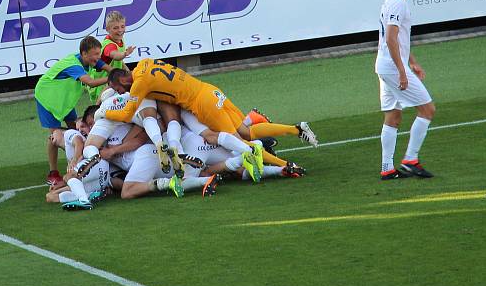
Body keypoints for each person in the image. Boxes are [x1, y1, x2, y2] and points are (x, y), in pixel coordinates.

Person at [99, 59, 319, 176]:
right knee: (247, 130)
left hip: (201, 104)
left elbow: (127, 112)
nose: (120, 93)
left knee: (241, 142)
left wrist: (103, 111)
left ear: (123, 81)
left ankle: (287, 164)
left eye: (117, 88)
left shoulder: (139, 85)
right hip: (210, 90)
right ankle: (296, 129)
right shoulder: (145, 63)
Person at [375, 0, 436, 181]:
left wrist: (413, 62)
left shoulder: (392, 1)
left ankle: (387, 168)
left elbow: (396, 40)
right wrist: (402, 71)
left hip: (385, 65)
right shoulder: (397, 3)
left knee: (393, 115)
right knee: (427, 109)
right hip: (392, 68)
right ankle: (410, 160)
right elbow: (391, 38)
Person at [34, 35, 112, 187]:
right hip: (48, 98)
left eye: (99, 53)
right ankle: (53, 173)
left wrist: (112, 70)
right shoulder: (74, 65)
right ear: (84, 54)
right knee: (55, 137)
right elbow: (90, 82)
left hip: (65, 100)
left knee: (74, 130)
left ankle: (78, 161)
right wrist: (112, 78)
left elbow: (101, 64)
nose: (98, 57)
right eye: (95, 54)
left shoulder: (87, 60)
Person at [89, 10, 135, 103]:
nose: (120, 30)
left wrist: (128, 72)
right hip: (103, 84)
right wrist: (125, 54)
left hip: (114, 81)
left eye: (122, 26)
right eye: (116, 28)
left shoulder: (119, 40)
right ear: (107, 29)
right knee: (102, 109)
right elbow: (115, 55)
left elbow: (119, 62)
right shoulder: (109, 45)